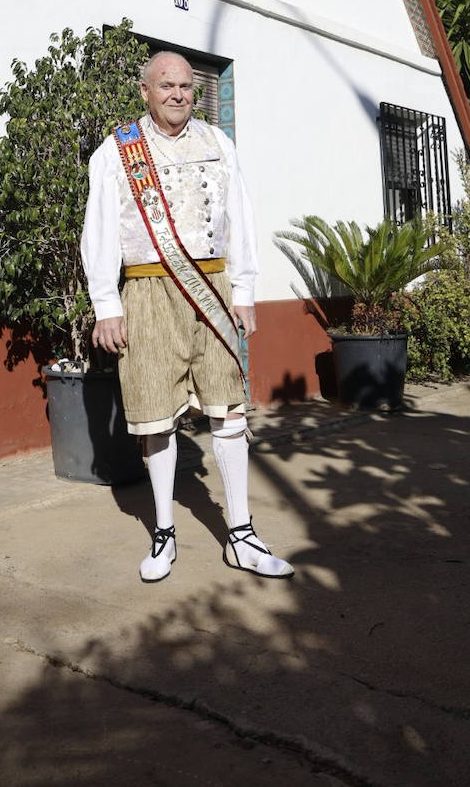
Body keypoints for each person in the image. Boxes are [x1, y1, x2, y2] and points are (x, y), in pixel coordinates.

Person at [81, 51, 294, 583]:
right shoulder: (116, 152)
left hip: (215, 288)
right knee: (155, 414)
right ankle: (164, 532)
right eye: (166, 85)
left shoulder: (219, 144)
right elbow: (100, 233)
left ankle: (240, 535)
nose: (177, 94)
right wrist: (107, 305)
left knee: (229, 410)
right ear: (145, 91)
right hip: (148, 291)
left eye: (185, 87)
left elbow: (239, 219)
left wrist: (244, 291)